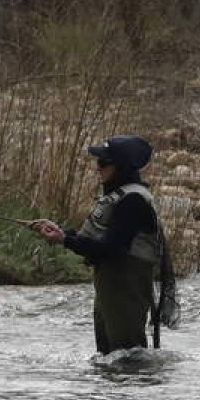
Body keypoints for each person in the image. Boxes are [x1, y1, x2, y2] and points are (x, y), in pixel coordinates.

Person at [31, 135, 174, 354]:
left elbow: (111, 249)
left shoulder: (132, 201)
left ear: (121, 168)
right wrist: (63, 233)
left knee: (127, 356)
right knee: (109, 355)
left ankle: (133, 390)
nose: (98, 168)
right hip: (112, 283)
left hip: (125, 283)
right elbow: (101, 242)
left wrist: (65, 240)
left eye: (103, 163)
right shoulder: (122, 195)